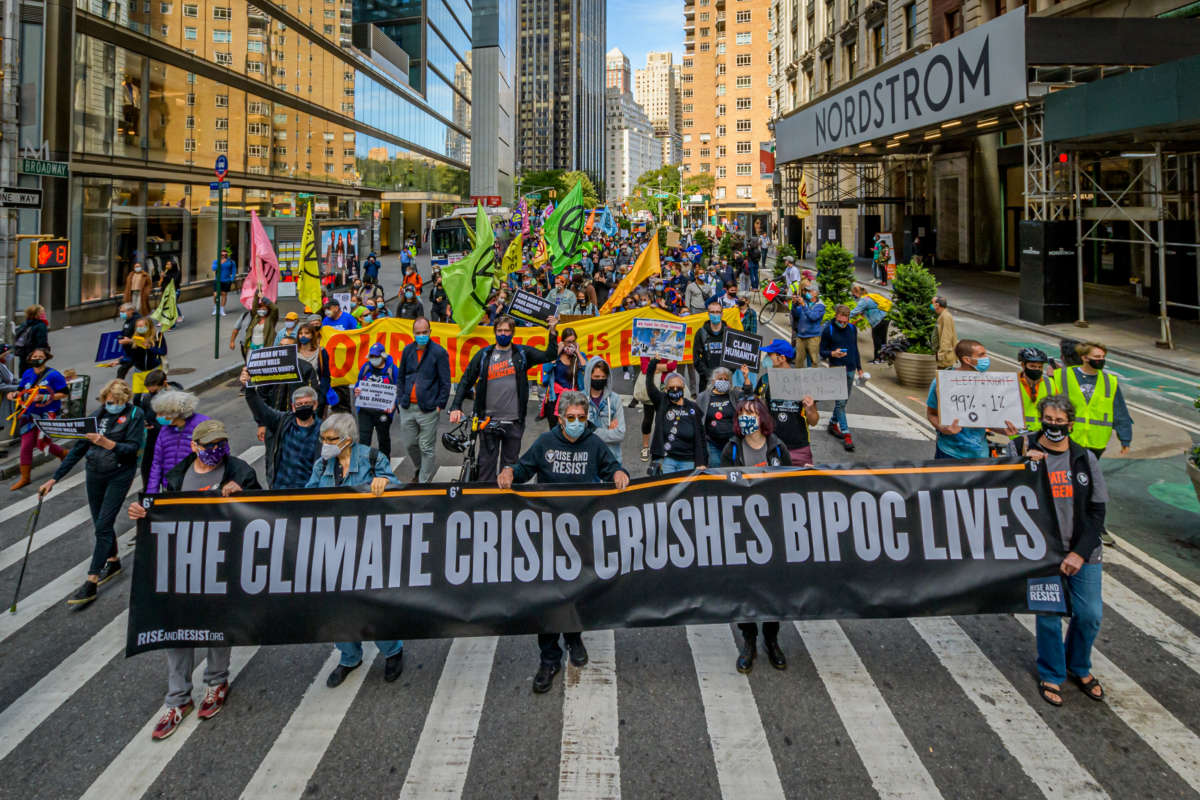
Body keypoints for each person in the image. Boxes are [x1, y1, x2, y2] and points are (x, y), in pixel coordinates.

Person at [127, 419, 259, 740]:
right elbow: (163, 513)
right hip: (183, 565)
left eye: (221, 443)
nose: (217, 449)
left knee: (217, 627)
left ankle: (216, 682)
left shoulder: (239, 471)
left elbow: (262, 508)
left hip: (223, 565)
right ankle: (178, 698)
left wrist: (243, 494)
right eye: (210, 444)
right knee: (177, 630)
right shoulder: (177, 477)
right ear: (195, 446)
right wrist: (143, 514)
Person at [497, 390, 630, 694]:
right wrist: (509, 472)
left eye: (582, 419)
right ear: (560, 418)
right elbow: (523, 470)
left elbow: (611, 468)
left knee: (576, 591)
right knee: (546, 597)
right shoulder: (545, 443)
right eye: (571, 418)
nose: (576, 424)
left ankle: (573, 636)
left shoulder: (594, 443)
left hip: (581, 533)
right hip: (547, 533)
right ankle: (549, 657)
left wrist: (620, 472)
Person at [1010, 395, 1107, 708]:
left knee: (1089, 615)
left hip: (1082, 553)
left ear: (1071, 423)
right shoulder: (1023, 448)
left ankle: (1079, 667)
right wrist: (1023, 463)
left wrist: (1079, 552)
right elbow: (995, 484)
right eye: (1047, 419)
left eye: (1059, 421)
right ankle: (1052, 672)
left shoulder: (1084, 459)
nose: (1053, 426)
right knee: (1049, 616)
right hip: (1042, 553)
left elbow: (1097, 512)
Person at [306, 413, 405, 687]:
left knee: (374, 603)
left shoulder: (373, 460)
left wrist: (386, 483)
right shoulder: (322, 466)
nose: (325, 444)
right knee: (339, 606)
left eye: (331, 439)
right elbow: (306, 499)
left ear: (347, 440)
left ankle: (392, 651)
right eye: (323, 439)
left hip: (369, 546)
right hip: (334, 547)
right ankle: (349, 657)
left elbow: (400, 496)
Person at [38, 379, 144, 607]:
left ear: (124, 400)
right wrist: (54, 478)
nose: (111, 405)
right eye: (108, 401)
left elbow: (133, 449)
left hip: (119, 473)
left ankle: (91, 580)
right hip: (95, 472)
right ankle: (113, 560)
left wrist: (108, 443)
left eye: (116, 402)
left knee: (103, 526)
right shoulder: (98, 415)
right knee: (99, 521)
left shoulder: (135, 415)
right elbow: (78, 449)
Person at [719, 395, 791, 673]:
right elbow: (723, 485)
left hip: (773, 529)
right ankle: (749, 642)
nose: (747, 418)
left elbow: (791, 482)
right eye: (742, 414)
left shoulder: (778, 448)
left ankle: (772, 640)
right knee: (745, 588)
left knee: (773, 588)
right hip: (743, 530)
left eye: (752, 413)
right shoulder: (732, 450)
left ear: (762, 417)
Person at [449, 315, 560, 482]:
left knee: (509, 468)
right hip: (487, 422)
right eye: (500, 330)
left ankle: (505, 503)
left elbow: (549, 355)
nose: (503, 333)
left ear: (513, 333)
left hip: (514, 423)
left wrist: (552, 331)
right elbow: (466, 380)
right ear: (494, 332)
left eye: (507, 330)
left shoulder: (522, 353)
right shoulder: (484, 355)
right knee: (485, 467)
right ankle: (485, 502)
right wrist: (456, 406)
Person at [925, 339, 1014, 459]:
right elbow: (931, 414)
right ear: (967, 360)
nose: (986, 358)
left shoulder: (988, 383)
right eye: (981, 355)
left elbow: (984, 420)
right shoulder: (942, 382)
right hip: (949, 453)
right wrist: (944, 429)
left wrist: (1004, 430)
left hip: (980, 454)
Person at [1053, 342, 1132, 459]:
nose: (1101, 360)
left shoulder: (1110, 381)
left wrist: (1125, 439)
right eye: (1096, 357)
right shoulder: (1062, 376)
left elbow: (1119, 411)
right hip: (1069, 438)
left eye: (1103, 357)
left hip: (1096, 442)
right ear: (1084, 358)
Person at [243, 371, 321, 489]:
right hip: (281, 490)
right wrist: (248, 386)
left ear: (315, 405)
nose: (303, 406)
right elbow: (259, 408)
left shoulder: (324, 430)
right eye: (299, 404)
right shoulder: (282, 421)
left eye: (307, 403)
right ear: (293, 407)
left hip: (310, 492)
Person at [396, 317, 451, 482]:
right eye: (418, 333)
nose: (421, 335)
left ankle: (423, 483)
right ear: (413, 333)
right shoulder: (407, 350)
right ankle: (420, 469)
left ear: (430, 332)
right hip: (407, 407)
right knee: (410, 444)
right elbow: (401, 377)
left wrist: (440, 405)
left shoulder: (439, 352)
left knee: (426, 447)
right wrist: (400, 398)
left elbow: (445, 382)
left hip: (428, 409)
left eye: (424, 332)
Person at [7, 348, 68, 490]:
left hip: (48, 414)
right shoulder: (28, 373)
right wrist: (14, 394)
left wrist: (45, 397)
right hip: (30, 414)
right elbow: (22, 390)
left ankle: (64, 454)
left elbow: (64, 393)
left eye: (40, 356)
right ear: (30, 358)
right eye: (34, 356)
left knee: (42, 443)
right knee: (27, 444)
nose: (37, 358)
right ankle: (25, 478)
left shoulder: (54, 375)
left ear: (46, 358)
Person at [754, 339, 820, 465]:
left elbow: (814, 421)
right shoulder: (764, 381)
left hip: (799, 449)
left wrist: (810, 408)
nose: (766, 358)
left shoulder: (804, 382)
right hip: (772, 446)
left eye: (770, 355)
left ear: (781, 358)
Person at [645, 359, 707, 473]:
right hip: (667, 460)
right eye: (671, 387)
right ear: (666, 389)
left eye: (678, 387)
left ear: (683, 388)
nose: (675, 389)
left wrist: (702, 462)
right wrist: (653, 363)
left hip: (688, 461)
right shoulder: (662, 401)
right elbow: (649, 385)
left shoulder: (693, 407)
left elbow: (701, 437)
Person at [146, 390, 210, 494]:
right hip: (170, 488)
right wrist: (151, 493)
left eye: (161, 413)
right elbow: (157, 463)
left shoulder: (203, 425)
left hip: (198, 488)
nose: (157, 417)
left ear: (174, 413)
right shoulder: (164, 430)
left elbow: (219, 456)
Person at [819, 305, 863, 452]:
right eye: (840, 321)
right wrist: (833, 353)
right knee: (841, 403)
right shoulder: (828, 330)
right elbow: (822, 351)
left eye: (845, 321)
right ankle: (847, 435)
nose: (842, 324)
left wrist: (860, 369)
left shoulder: (852, 329)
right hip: (836, 370)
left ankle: (832, 423)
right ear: (836, 316)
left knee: (843, 402)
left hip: (850, 369)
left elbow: (855, 349)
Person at [354, 342, 399, 459]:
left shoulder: (393, 369)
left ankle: (384, 464)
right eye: (371, 357)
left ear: (383, 356)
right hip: (365, 410)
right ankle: (363, 465)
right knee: (364, 438)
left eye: (376, 357)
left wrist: (395, 404)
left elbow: (400, 389)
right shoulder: (366, 367)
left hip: (383, 412)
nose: (373, 359)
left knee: (383, 438)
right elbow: (359, 382)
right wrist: (357, 390)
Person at [136, 369, 177, 490]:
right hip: (151, 440)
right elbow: (144, 413)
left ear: (164, 383)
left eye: (155, 390)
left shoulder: (175, 397)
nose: (152, 393)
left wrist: (157, 426)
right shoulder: (147, 398)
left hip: (169, 441)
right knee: (148, 471)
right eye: (150, 390)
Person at [541, 327, 587, 427]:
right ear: (562, 342)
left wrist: (578, 352)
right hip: (555, 398)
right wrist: (557, 352)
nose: (570, 345)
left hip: (573, 398)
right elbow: (545, 369)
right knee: (555, 429)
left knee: (571, 427)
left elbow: (586, 369)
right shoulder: (556, 356)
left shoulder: (579, 356)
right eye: (568, 342)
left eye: (573, 341)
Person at [581, 356, 625, 461]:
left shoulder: (615, 399)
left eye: (603, 377)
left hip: (611, 458)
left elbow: (620, 434)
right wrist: (608, 433)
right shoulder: (579, 399)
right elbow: (577, 434)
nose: (600, 380)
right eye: (596, 377)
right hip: (587, 458)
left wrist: (592, 431)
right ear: (589, 376)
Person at [697, 366, 741, 466]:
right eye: (720, 379)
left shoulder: (734, 395)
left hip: (732, 442)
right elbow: (698, 419)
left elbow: (748, 397)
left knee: (731, 469)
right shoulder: (703, 397)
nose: (723, 381)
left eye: (726, 379)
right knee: (715, 469)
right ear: (713, 381)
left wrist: (746, 378)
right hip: (712, 444)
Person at [1017, 347, 1054, 433]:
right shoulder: (1012, 382)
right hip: (1018, 434)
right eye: (1032, 366)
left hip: (1043, 434)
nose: (1037, 369)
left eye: (1040, 367)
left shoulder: (1049, 383)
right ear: (1023, 365)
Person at [692, 301, 726, 394]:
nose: (715, 314)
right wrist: (709, 374)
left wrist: (724, 375)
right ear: (708, 314)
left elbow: (733, 357)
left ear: (722, 314)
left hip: (725, 381)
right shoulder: (701, 333)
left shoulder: (729, 333)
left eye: (718, 312)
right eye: (712, 312)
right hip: (706, 381)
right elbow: (696, 358)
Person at [849, 285, 889, 364]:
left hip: (878, 320)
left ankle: (877, 359)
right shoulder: (869, 296)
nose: (853, 296)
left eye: (853, 294)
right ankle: (884, 357)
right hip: (885, 317)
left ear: (857, 293)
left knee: (877, 339)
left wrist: (844, 316)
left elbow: (855, 311)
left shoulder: (863, 300)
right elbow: (867, 310)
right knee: (883, 339)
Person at [791, 285, 825, 368]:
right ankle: (799, 378)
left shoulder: (820, 306)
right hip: (801, 336)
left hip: (813, 337)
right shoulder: (805, 302)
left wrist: (804, 305)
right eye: (806, 291)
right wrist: (795, 305)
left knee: (813, 361)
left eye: (809, 291)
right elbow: (796, 314)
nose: (807, 293)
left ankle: (812, 379)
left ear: (815, 293)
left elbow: (813, 317)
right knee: (798, 361)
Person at [12, 305, 50, 374]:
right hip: (35, 354)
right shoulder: (41, 325)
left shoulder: (25, 324)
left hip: (23, 354)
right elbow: (42, 342)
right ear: (38, 314)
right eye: (42, 312)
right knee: (36, 373)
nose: (44, 313)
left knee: (24, 373)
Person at [932, 296, 957, 369]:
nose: (931, 305)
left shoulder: (945, 317)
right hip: (944, 356)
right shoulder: (943, 315)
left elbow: (946, 337)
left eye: (932, 303)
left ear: (937, 305)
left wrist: (941, 355)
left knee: (941, 378)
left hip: (945, 358)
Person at [212, 248, 237, 315]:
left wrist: (231, 279)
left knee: (224, 295)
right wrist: (220, 263)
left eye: (225, 254)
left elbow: (234, 270)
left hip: (226, 281)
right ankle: (216, 308)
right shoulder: (216, 261)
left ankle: (222, 309)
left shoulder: (231, 262)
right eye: (222, 255)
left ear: (227, 255)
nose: (223, 256)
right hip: (217, 280)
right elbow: (213, 268)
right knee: (215, 295)